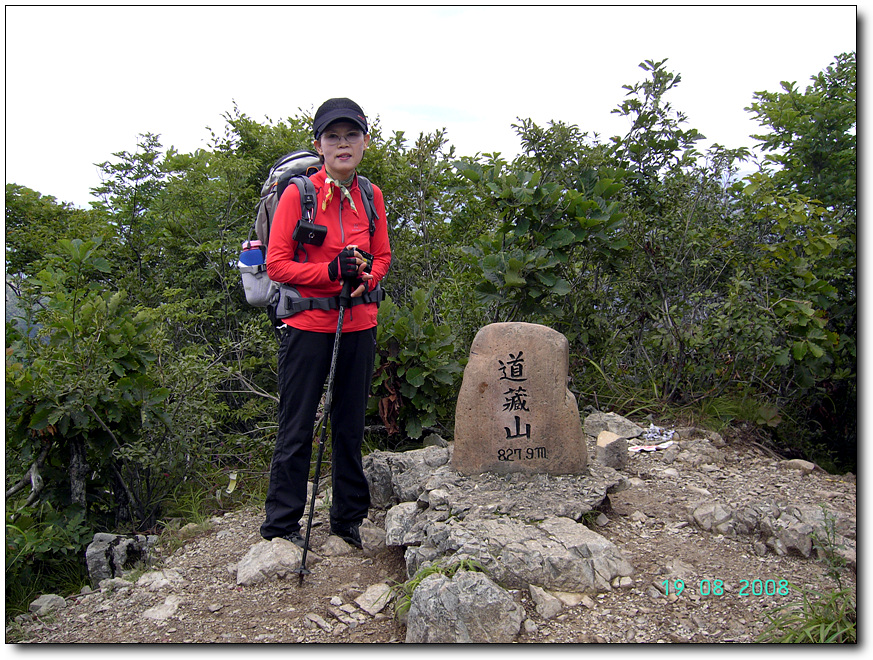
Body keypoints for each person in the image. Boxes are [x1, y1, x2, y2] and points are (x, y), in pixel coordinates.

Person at [259, 98, 391, 549]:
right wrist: (331, 272)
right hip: (307, 326)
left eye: (351, 135)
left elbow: (382, 255)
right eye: (332, 137)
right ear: (318, 145)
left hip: (359, 324)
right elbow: (277, 265)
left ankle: (348, 519)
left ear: (365, 142)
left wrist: (367, 276)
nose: (342, 144)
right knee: (296, 425)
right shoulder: (299, 195)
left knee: (350, 425)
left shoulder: (371, 196)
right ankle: (281, 525)